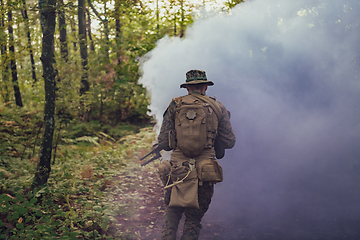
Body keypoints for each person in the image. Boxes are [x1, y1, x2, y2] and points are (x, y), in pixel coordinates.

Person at [156, 69, 236, 240]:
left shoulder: (175, 105)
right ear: (205, 86)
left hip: (177, 170)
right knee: (193, 220)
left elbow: (164, 143)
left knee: (172, 212)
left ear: (187, 88)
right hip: (204, 171)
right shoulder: (218, 107)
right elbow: (229, 142)